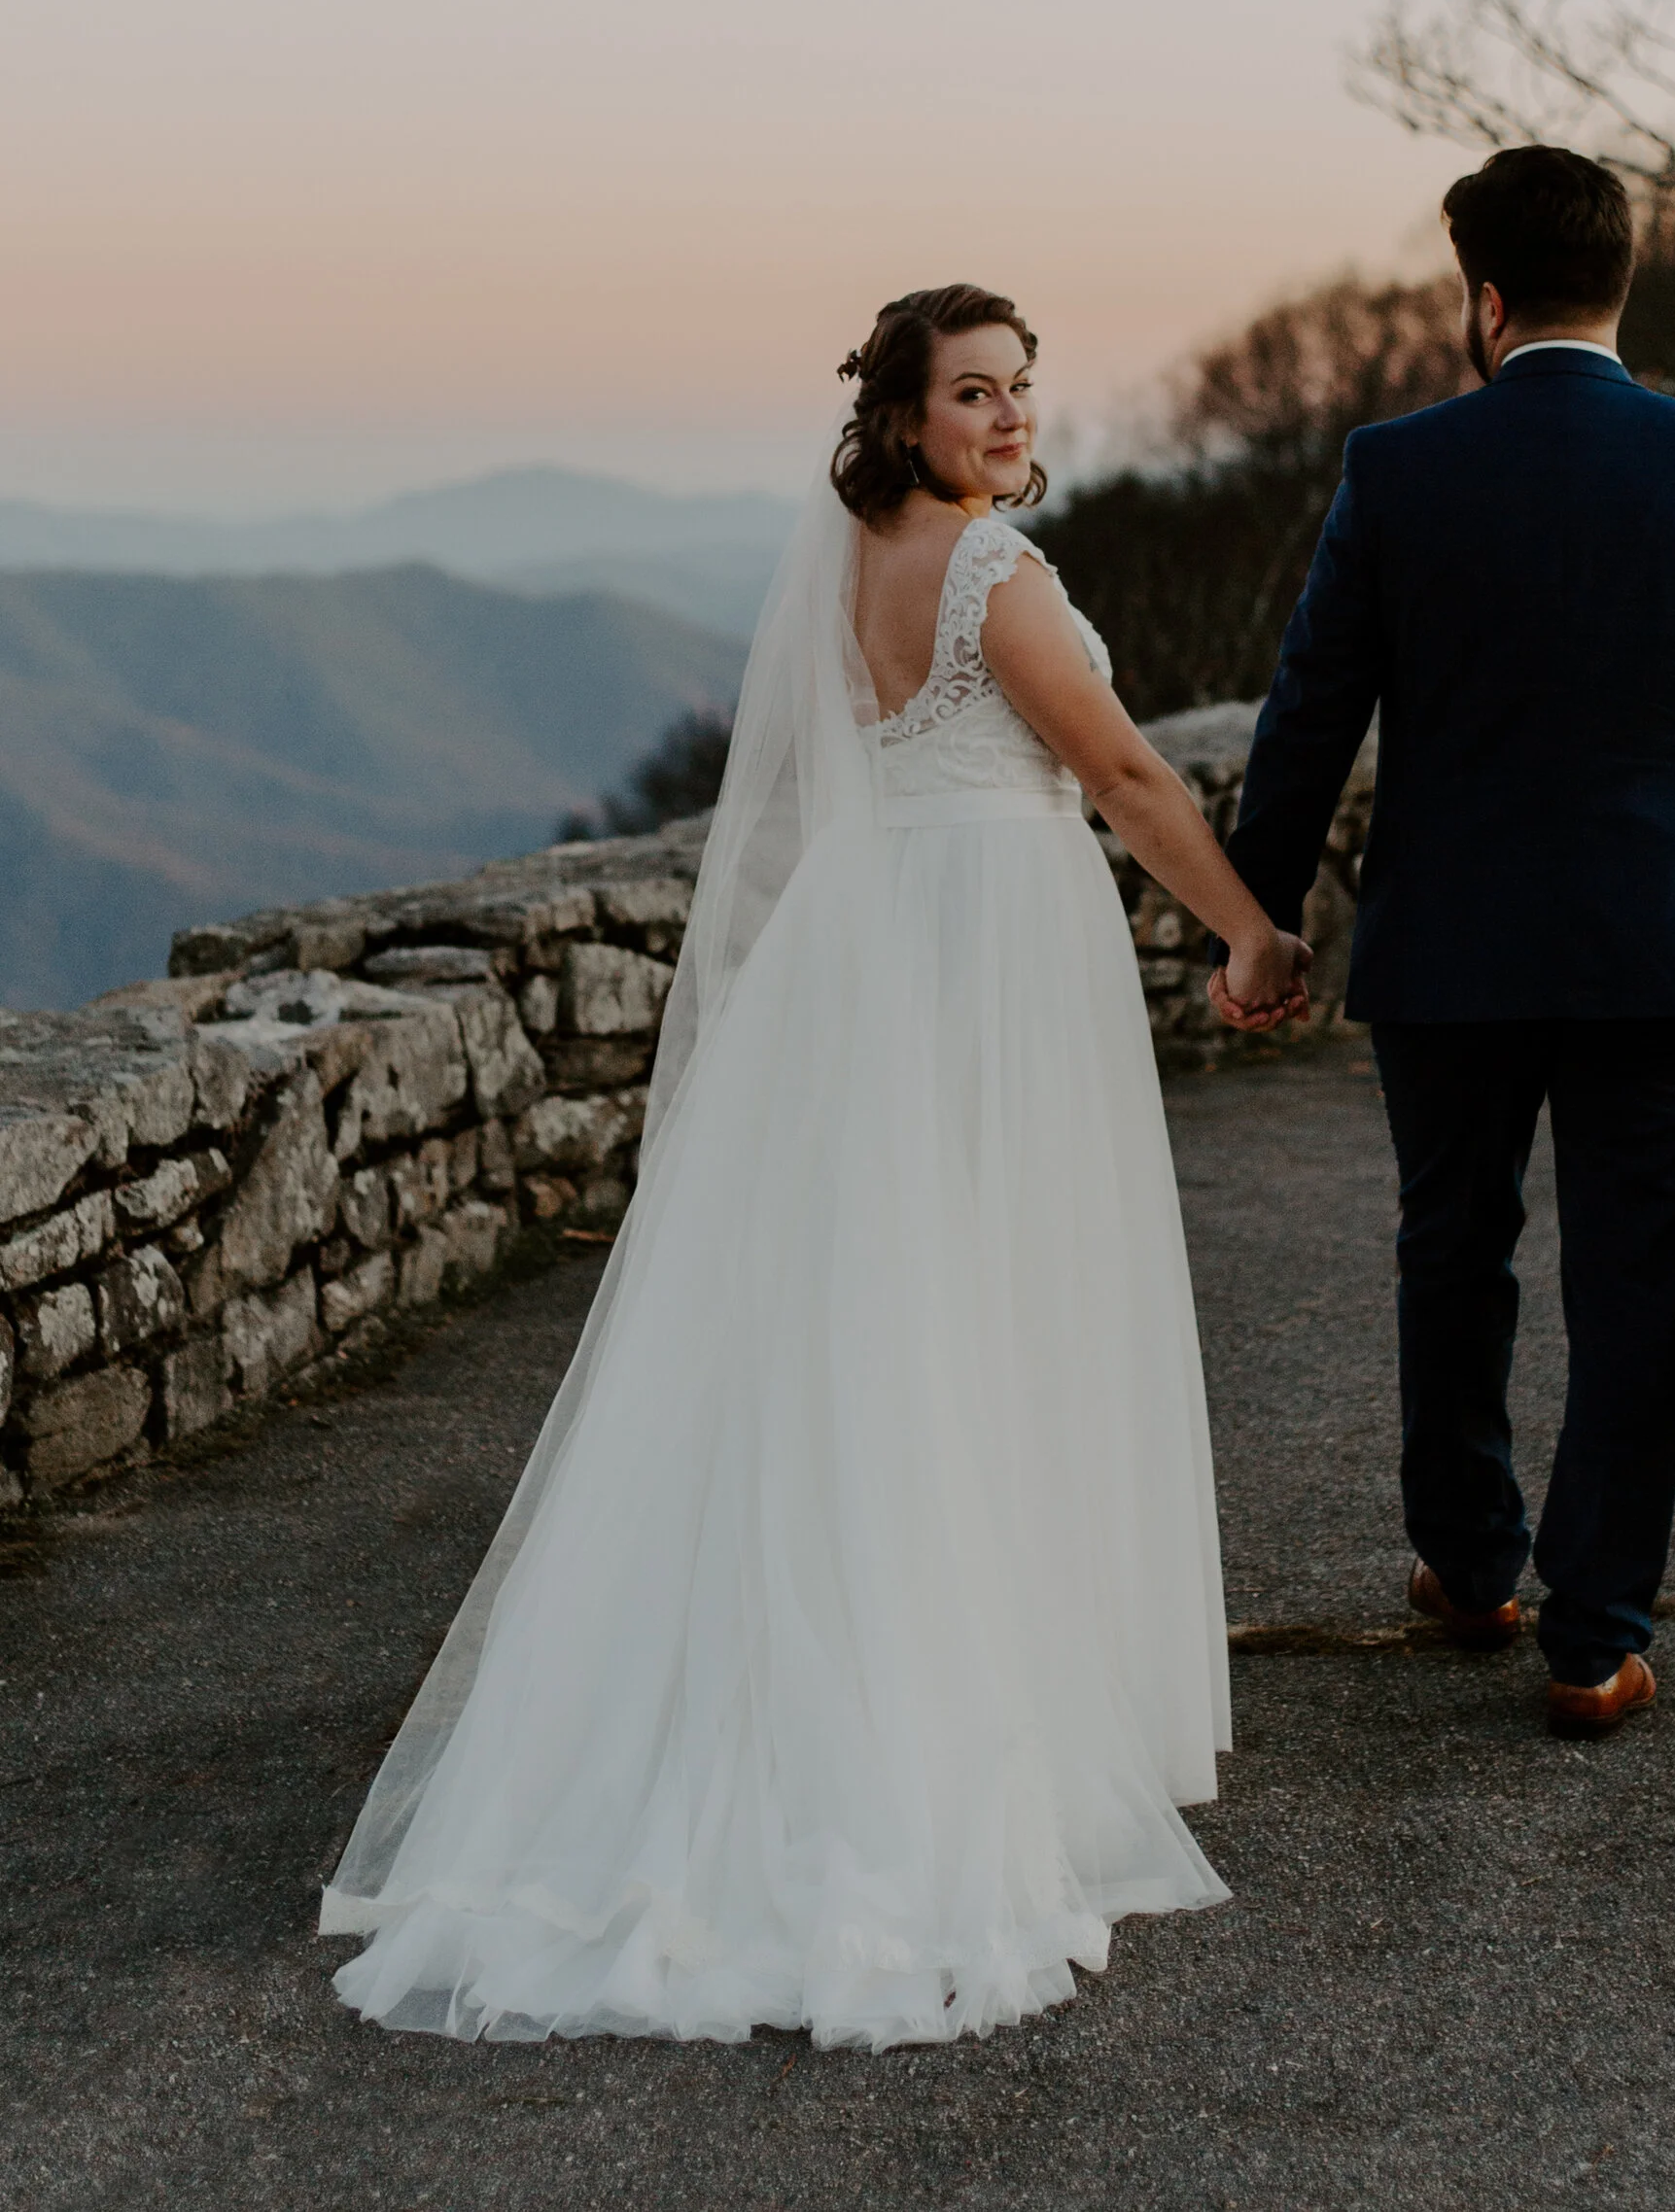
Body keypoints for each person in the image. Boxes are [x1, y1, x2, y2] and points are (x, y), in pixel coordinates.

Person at [323, 287, 1309, 2046]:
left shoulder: (851, 557)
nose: (1010, 419)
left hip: (870, 950)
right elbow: (1130, 772)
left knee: (867, 1312)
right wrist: (1248, 931)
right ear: (907, 413)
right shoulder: (993, 575)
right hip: (987, 951)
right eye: (975, 394)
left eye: (1021, 389)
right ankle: (969, 1706)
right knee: (992, 1297)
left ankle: (856, 1663)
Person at [1214, 148, 1675, 1735]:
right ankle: (1595, 1637)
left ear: (1484, 302)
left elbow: (1309, 717)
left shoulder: (1397, 468)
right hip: (1672, 951)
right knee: (1635, 1281)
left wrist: (1255, 921)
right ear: (1617, 285)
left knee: (1455, 1246)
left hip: (1455, 949)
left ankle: (1475, 1562)